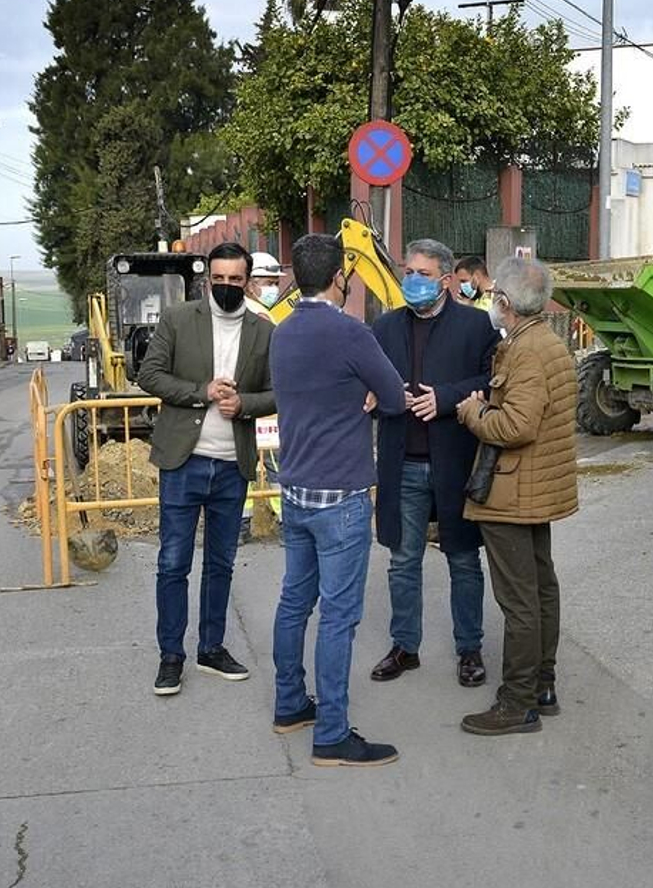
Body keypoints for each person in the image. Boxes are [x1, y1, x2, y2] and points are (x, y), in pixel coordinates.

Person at [269, 233, 409, 767]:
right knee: (338, 616)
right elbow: (393, 396)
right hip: (342, 496)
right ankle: (331, 732)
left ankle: (289, 706)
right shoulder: (351, 333)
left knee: (294, 601)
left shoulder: (282, 333)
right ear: (338, 278)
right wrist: (366, 396)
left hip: (297, 489)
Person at [137, 242, 276, 697]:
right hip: (183, 462)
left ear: (248, 280)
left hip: (231, 466)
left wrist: (245, 404)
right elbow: (150, 375)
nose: (227, 287)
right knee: (173, 563)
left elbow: (278, 392)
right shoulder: (179, 319)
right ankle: (170, 656)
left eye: (236, 280)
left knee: (221, 563)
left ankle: (211, 647)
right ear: (207, 279)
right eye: (219, 279)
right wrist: (203, 391)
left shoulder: (263, 330)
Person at [455, 257, 579, 737]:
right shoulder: (547, 343)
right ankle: (542, 687)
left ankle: (518, 701)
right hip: (535, 487)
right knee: (540, 590)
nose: (488, 301)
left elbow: (516, 425)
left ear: (504, 303)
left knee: (519, 601)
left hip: (513, 491)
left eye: (491, 296)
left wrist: (473, 413)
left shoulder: (526, 352)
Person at [369, 239, 499, 689]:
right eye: (408, 271)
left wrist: (444, 399)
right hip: (401, 461)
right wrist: (386, 396)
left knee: (463, 560)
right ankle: (405, 646)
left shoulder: (476, 325)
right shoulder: (384, 327)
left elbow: (492, 380)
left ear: (446, 280)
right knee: (402, 561)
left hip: (455, 461)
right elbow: (364, 381)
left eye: (422, 274)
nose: (412, 281)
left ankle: (470, 648)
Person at [244, 251, 285, 321]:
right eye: (269, 283)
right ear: (250, 285)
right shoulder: (260, 315)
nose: (275, 289)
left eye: (276, 284)